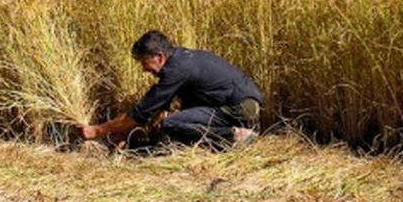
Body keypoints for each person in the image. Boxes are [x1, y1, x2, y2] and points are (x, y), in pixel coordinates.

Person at [76, 30, 263, 151]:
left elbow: (142, 112)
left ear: (159, 57)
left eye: (144, 62)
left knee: (172, 124)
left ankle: (235, 136)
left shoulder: (176, 70)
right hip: (241, 101)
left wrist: (96, 131)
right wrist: (125, 132)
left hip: (239, 106)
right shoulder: (181, 59)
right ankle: (232, 133)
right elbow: (158, 107)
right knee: (182, 117)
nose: (144, 69)